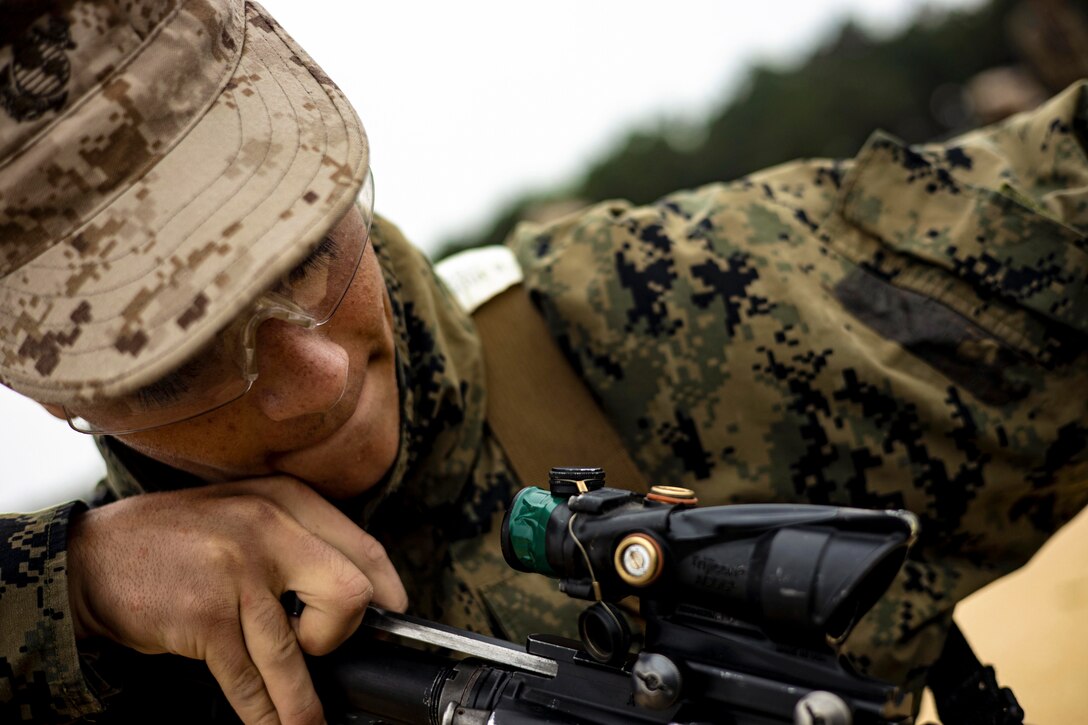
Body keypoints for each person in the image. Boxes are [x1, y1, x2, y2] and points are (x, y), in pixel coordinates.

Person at [1, 1, 1084, 723]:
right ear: (49, 393)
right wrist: (68, 587)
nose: (321, 371)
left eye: (309, 247)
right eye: (179, 354)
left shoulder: (691, 306)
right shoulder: (73, 651)